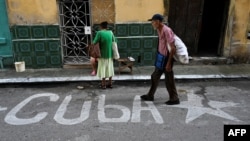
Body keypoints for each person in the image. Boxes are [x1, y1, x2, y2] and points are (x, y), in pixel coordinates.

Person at [140, 14, 180, 105]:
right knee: (154, 76)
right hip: (161, 57)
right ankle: (150, 95)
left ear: (157, 21)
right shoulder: (159, 29)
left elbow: (173, 48)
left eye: (153, 22)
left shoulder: (166, 30)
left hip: (167, 58)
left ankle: (174, 98)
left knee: (169, 80)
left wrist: (169, 63)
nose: (152, 24)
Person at [92, 21, 114, 89]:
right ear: (107, 26)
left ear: (101, 26)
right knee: (110, 69)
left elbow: (94, 42)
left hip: (101, 55)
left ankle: (103, 85)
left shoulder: (99, 33)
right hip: (110, 54)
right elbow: (114, 41)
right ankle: (110, 84)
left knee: (103, 69)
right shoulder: (111, 32)